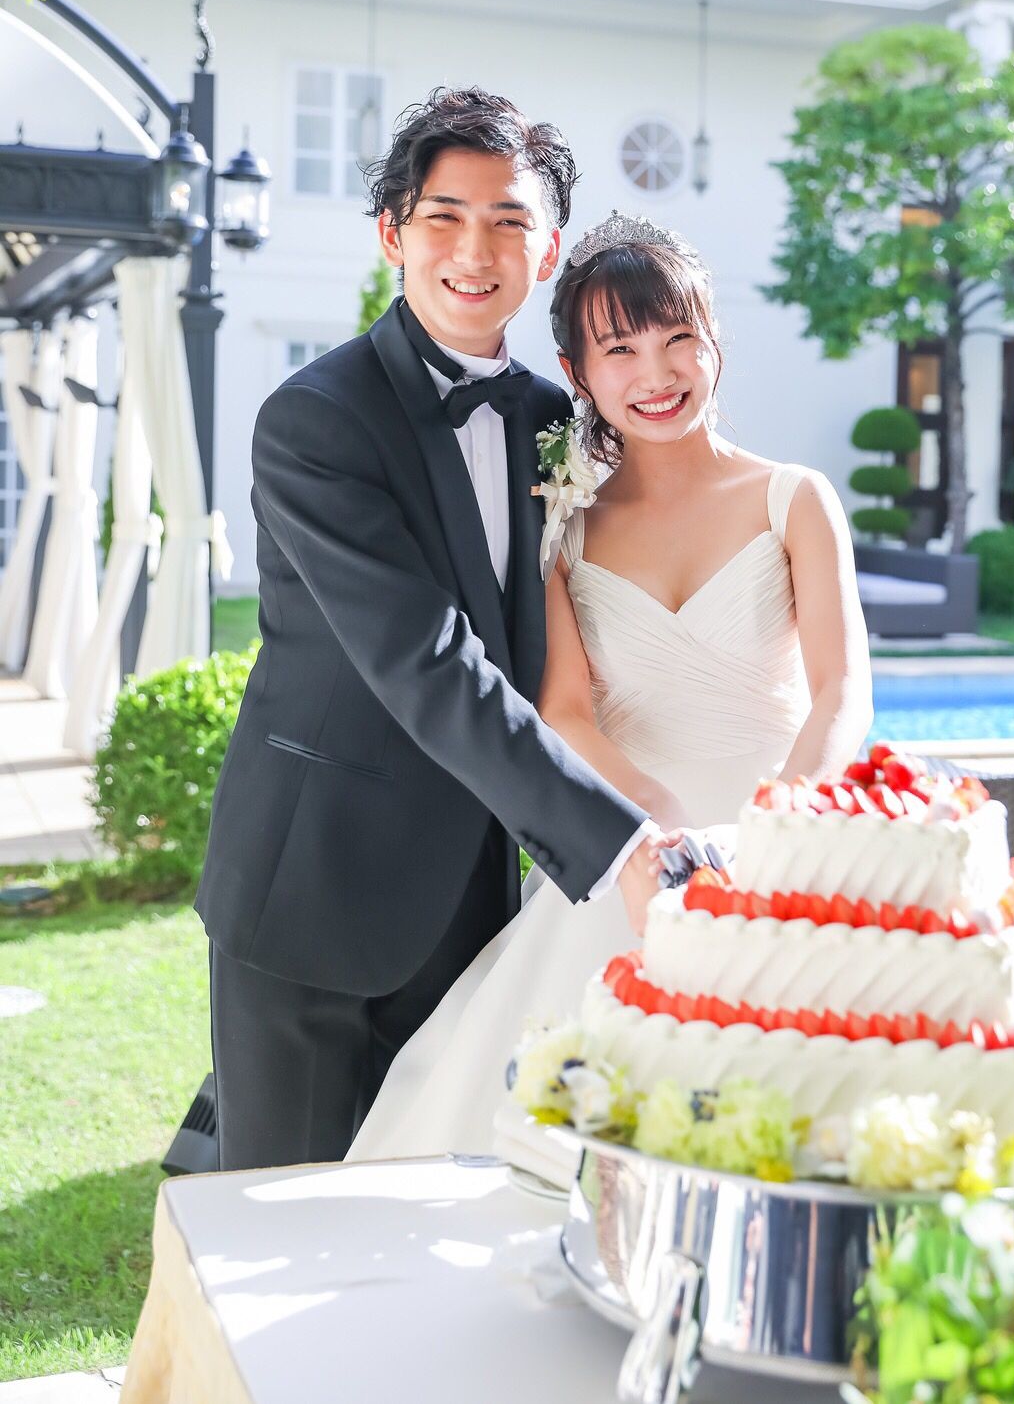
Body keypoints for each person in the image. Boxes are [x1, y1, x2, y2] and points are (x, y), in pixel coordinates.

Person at [195, 90, 673, 1171]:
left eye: (508, 221)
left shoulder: (553, 422)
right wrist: (618, 843)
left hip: (472, 903)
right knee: (285, 1215)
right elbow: (426, 661)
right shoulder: (314, 419)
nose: (474, 250)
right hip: (314, 891)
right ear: (391, 234)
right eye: (444, 217)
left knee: (426, 1210)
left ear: (545, 248)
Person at [348, 212, 873, 1164]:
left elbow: (842, 690)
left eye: (678, 339)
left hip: (788, 841)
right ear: (577, 371)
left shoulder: (794, 498)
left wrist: (776, 835)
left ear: (714, 342)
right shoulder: (566, 528)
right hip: (637, 844)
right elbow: (564, 711)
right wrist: (657, 828)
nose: (656, 373)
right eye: (620, 349)